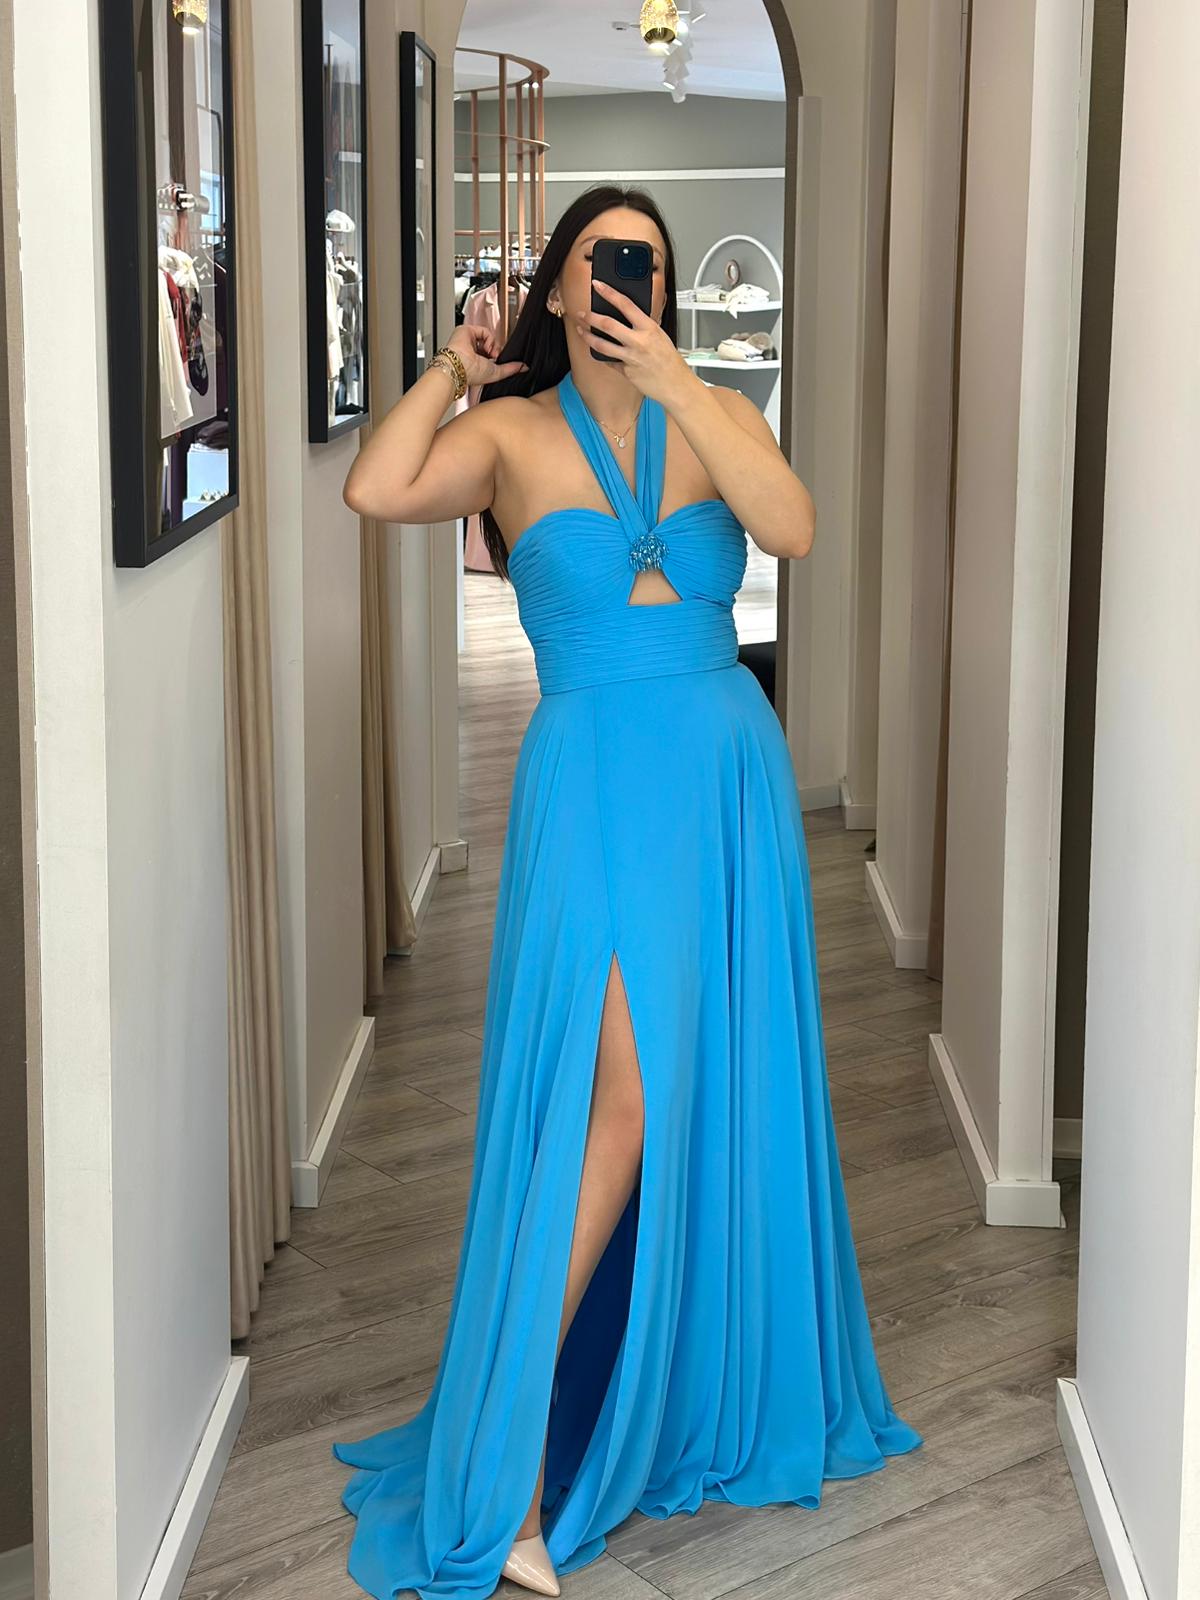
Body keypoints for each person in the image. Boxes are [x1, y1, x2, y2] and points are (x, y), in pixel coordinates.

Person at [330, 184, 922, 1600]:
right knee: (624, 1099)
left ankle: (678, 1387)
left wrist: (682, 387)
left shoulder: (715, 416)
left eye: (650, 265)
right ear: (560, 281)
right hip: (593, 776)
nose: (630, 281)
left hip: (724, 779)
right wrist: (453, 368)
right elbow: (376, 489)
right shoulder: (512, 435)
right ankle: (511, 1469)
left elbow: (794, 528)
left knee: (712, 1082)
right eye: (607, 260)